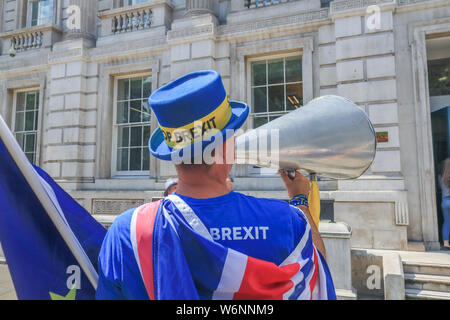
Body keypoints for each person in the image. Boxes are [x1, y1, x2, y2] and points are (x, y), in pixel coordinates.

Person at [96, 70, 335, 300]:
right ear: (224, 147)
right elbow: (318, 281)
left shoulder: (127, 233)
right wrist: (300, 200)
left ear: (172, 152)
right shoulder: (287, 220)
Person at [439, 158, 450, 250]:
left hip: (444, 202)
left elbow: (440, 188)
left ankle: (446, 243)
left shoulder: (441, 178)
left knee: (446, 222)